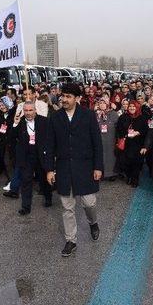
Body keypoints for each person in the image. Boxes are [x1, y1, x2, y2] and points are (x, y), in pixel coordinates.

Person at [45, 83, 103, 257]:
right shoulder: (55, 117)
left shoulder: (88, 115)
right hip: (64, 169)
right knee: (67, 207)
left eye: (69, 96)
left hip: (85, 167)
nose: (64, 99)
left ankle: (93, 222)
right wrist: (49, 169)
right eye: (63, 96)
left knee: (89, 203)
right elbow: (49, 144)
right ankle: (71, 240)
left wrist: (98, 167)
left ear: (77, 98)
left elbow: (97, 143)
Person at [9, 101, 51, 215]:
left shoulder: (44, 121)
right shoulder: (20, 123)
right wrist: (15, 124)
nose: (28, 113)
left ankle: (48, 197)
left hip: (41, 154)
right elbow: (11, 138)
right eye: (26, 110)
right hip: (26, 156)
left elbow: (50, 138)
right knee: (26, 181)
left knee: (43, 179)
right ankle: (26, 207)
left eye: (30, 110)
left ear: (35, 110)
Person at [115, 100, 148, 187]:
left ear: (137, 107)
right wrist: (125, 134)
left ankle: (135, 179)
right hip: (126, 144)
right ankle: (128, 176)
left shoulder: (142, 118)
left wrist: (138, 132)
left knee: (136, 164)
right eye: (130, 106)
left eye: (134, 106)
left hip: (138, 144)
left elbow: (146, 131)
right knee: (126, 162)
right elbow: (118, 129)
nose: (132, 108)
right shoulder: (123, 117)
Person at [96, 98, 119, 181]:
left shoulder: (113, 114)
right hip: (99, 139)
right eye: (100, 103)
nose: (102, 104)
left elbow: (118, 127)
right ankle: (101, 173)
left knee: (111, 156)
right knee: (101, 156)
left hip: (111, 138)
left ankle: (112, 173)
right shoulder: (96, 114)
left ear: (108, 104)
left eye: (104, 103)